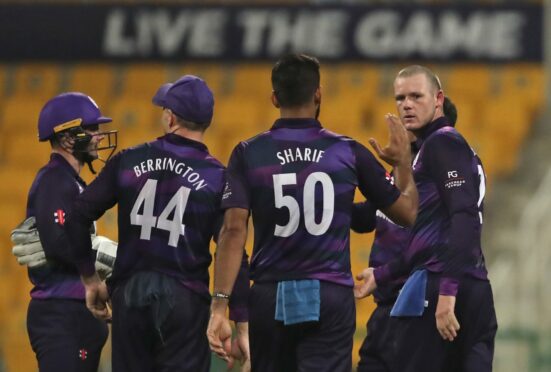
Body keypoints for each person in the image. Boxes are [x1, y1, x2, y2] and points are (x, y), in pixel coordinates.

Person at [206, 53, 418, 372]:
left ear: (275, 98)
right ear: (318, 93)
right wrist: (403, 162)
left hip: (269, 292)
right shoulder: (347, 151)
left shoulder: (248, 153)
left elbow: (233, 232)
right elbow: (408, 214)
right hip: (329, 293)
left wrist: (219, 306)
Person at [65, 75, 250, 372]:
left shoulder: (128, 160)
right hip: (186, 300)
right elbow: (234, 248)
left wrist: (89, 278)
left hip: (130, 295)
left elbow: (77, 216)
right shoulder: (219, 178)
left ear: (170, 117)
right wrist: (240, 320)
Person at [355, 66, 497, 372]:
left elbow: (464, 216)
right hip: (461, 282)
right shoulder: (424, 160)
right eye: (400, 98)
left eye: (415, 96)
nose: (406, 104)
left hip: (441, 286)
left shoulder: (442, 143)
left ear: (438, 99)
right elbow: (428, 239)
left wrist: (447, 291)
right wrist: (383, 275)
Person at [9, 92, 117, 372]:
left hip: (72, 314)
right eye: (91, 128)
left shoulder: (68, 181)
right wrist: (107, 255)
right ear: (68, 137)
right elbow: (59, 245)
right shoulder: (55, 181)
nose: (99, 135)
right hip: (63, 313)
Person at [353, 97, 458, 372]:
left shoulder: (441, 178)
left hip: (418, 307)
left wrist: (382, 273)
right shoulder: (401, 171)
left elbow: (432, 248)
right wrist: (328, 202)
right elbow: (368, 215)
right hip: (385, 309)